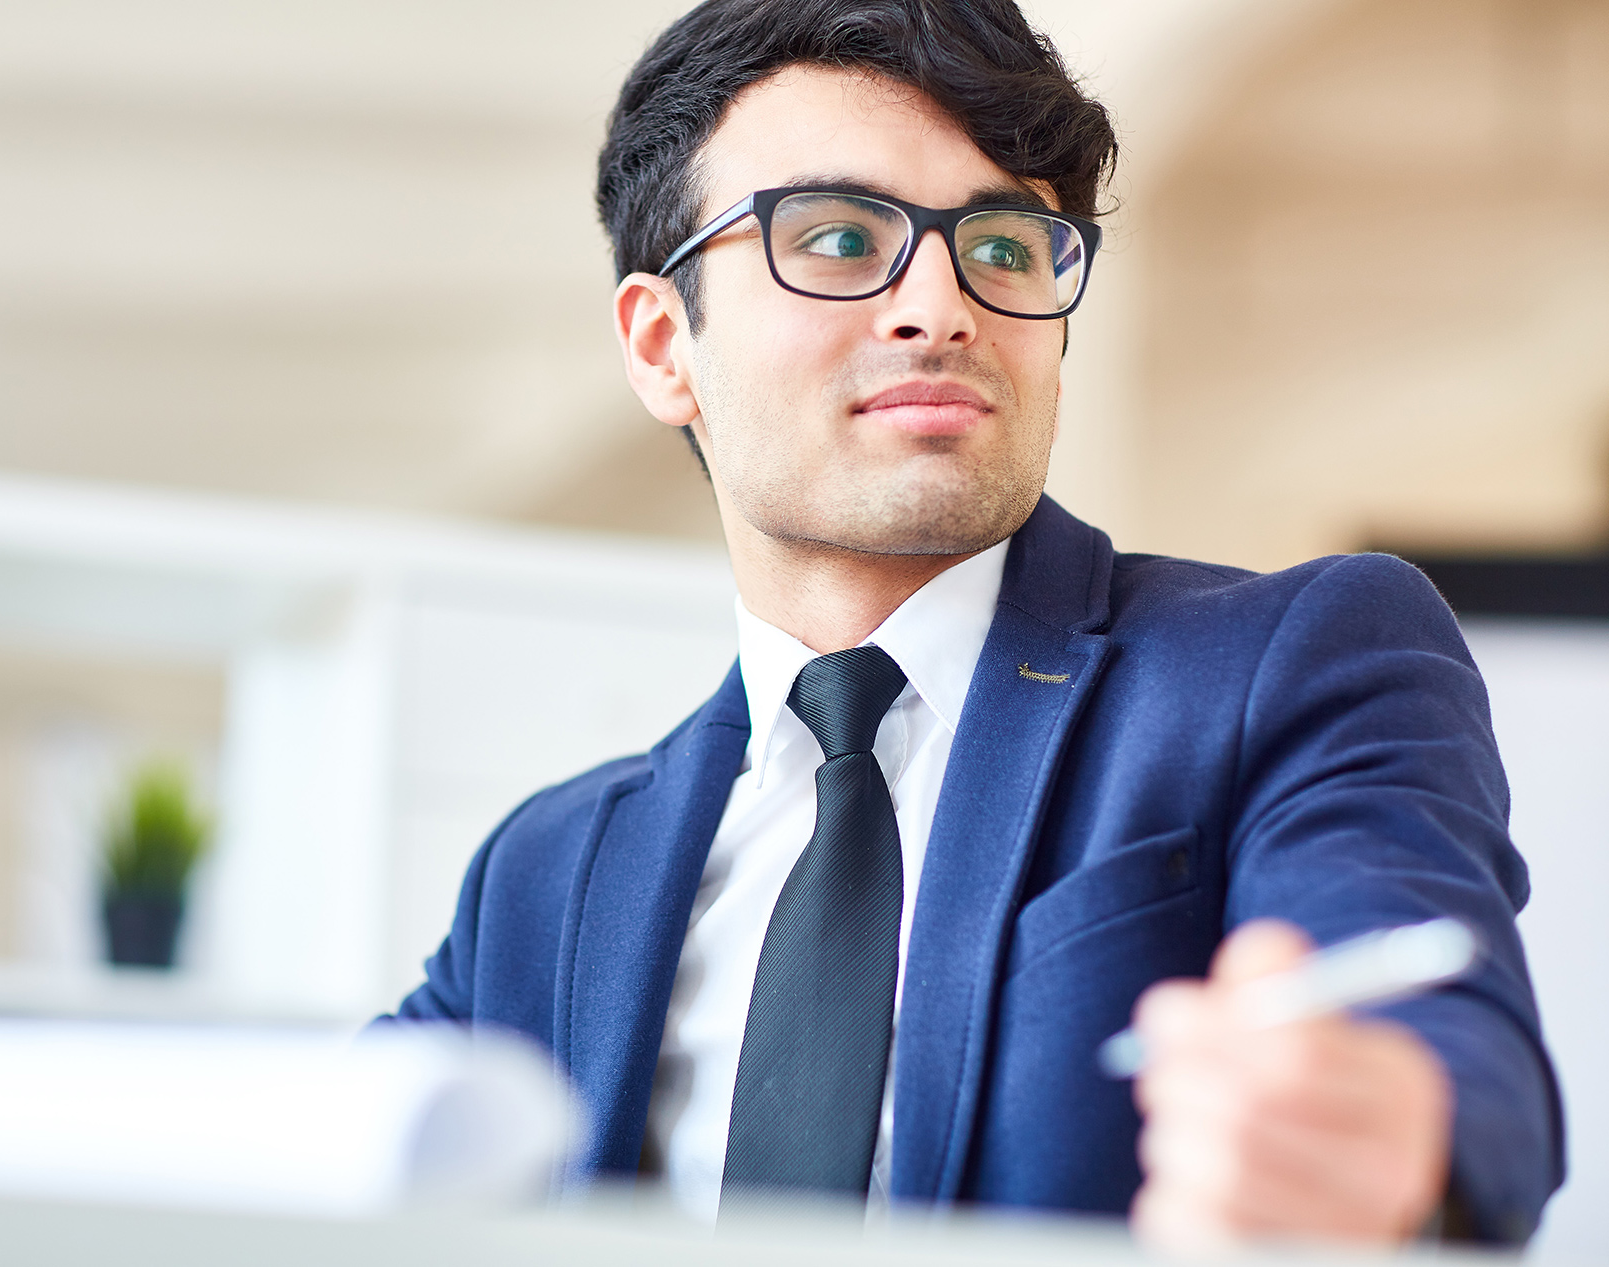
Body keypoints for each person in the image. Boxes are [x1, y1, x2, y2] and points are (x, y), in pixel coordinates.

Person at [392, 0, 1562, 1247]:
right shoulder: (546, 871)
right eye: (839, 236)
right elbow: (304, 1156)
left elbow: (1451, 1030)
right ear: (662, 343)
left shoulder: (1298, 659)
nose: (940, 306)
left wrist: (1390, 1118)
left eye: (1003, 246)